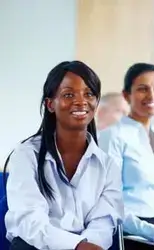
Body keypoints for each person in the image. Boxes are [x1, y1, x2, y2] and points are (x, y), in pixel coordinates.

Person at [4, 61, 124, 250]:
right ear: (50, 104)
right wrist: (76, 246)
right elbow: (30, 221)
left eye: (89, 94)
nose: (81, 101)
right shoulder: (27, 154)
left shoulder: (108, 166)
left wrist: (87, 246)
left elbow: (103, 223)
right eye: (69, 94)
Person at [99, 63, 154, 245]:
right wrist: (153, 232)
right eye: (142, 89)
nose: (151, 96)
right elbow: (109, 201)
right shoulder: (113, 136)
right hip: (128, 230)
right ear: (126, 95)